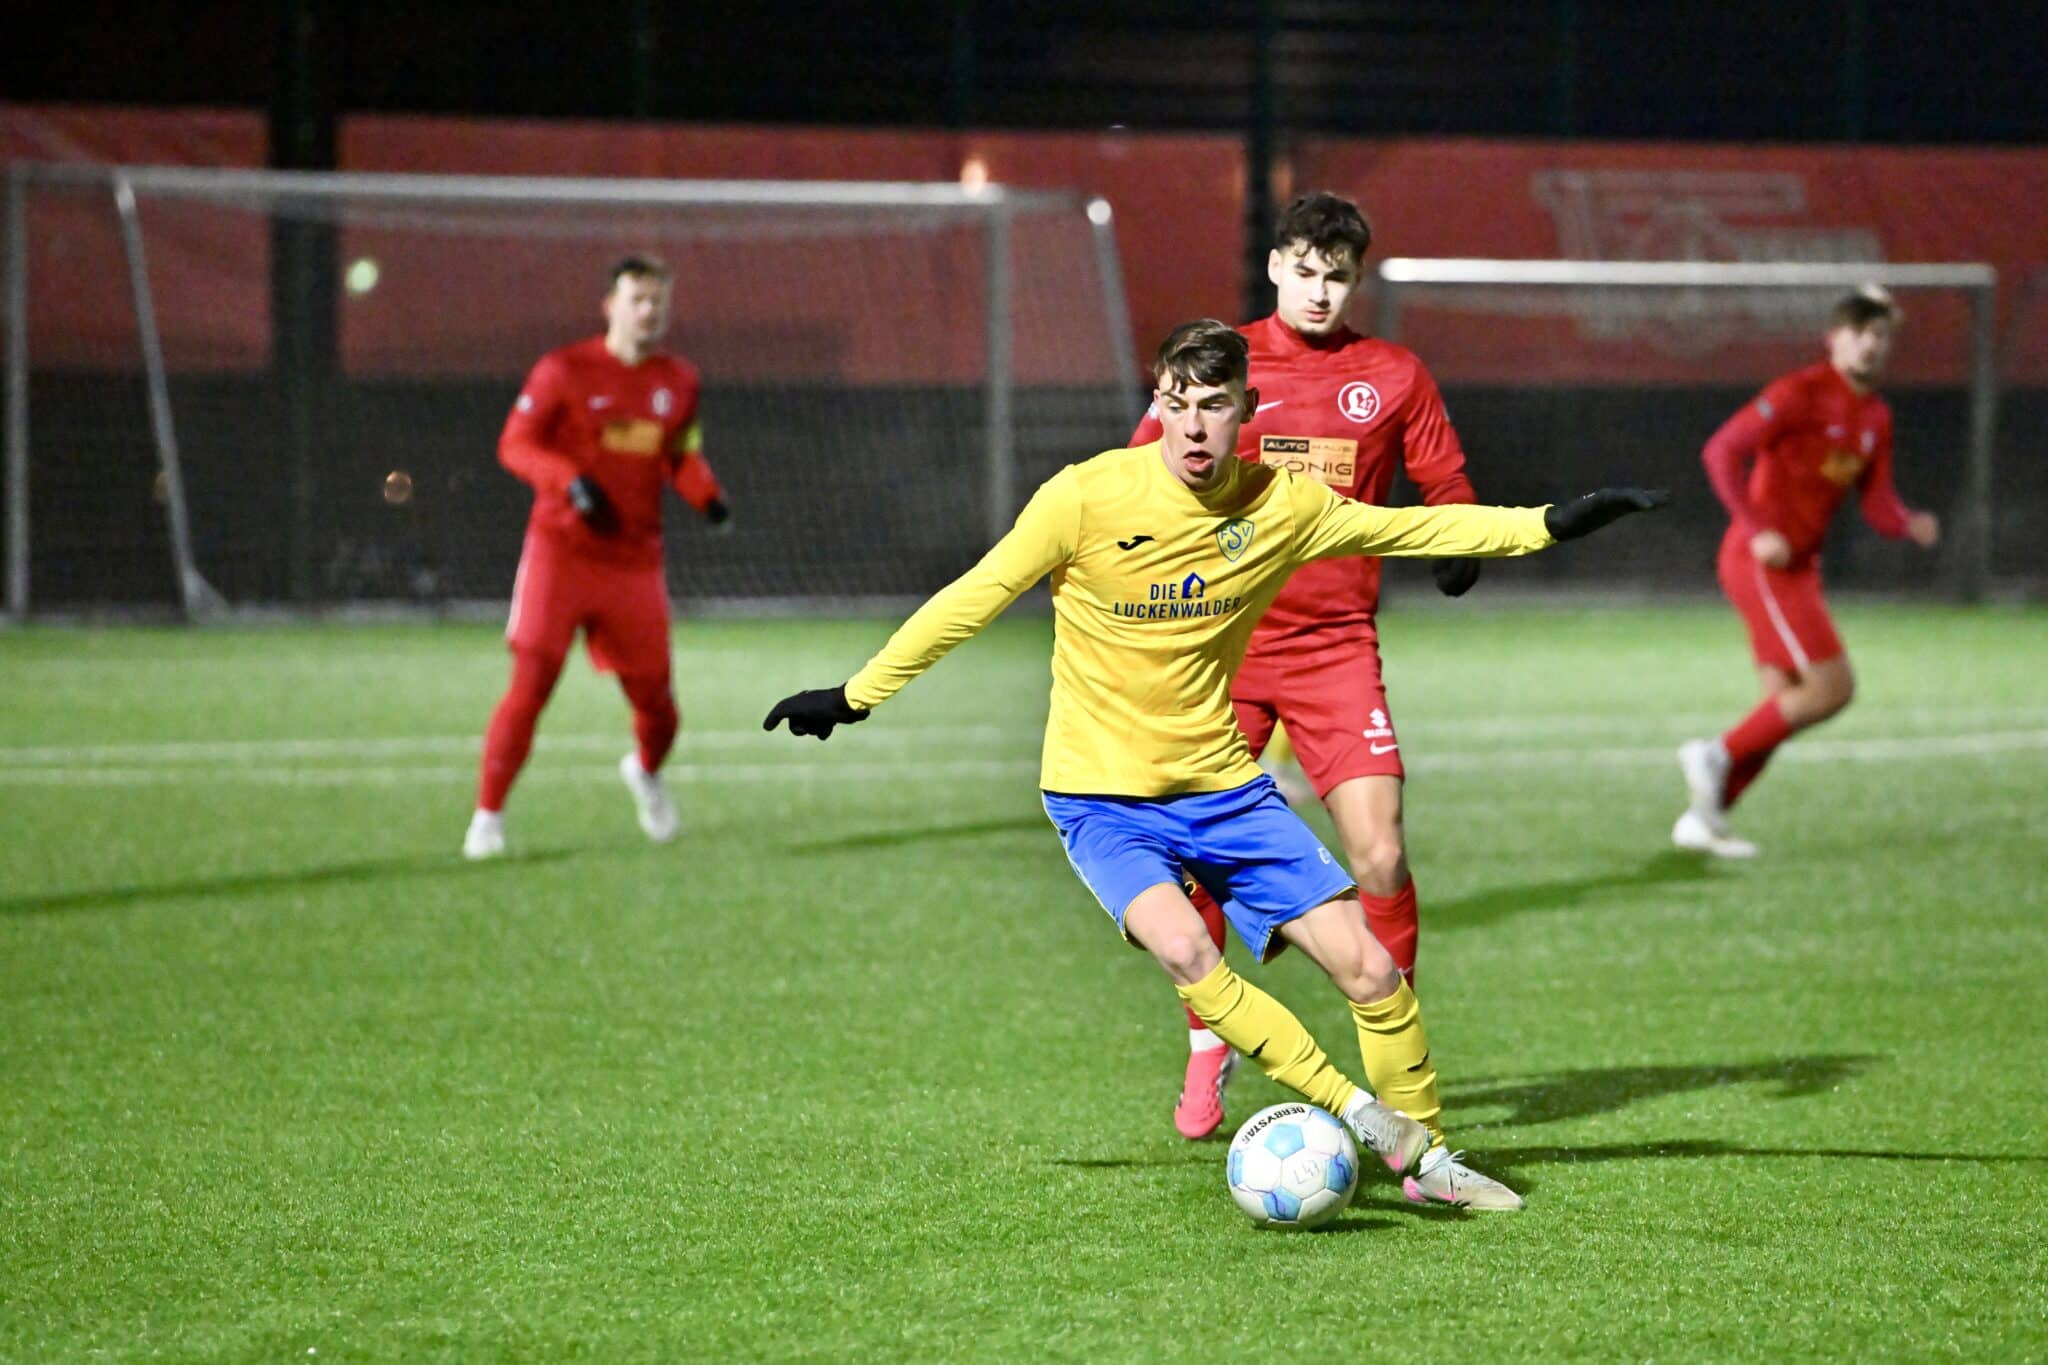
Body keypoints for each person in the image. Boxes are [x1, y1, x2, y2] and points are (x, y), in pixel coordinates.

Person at [764, 319, 1664, 1210]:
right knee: (1189, 946)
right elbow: (975, 594)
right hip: (1100, 798)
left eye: (1214, 406)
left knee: (1372, 971)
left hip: (1224, 790)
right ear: (1156, 405)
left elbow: (1408, 529)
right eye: (1177, 404)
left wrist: (1551, 524)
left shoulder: (1283, 506)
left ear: (1249, 410)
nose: (1193, 427)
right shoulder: (1084, 496)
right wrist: (855, 695)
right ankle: (1360, 1112)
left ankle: (1430, 1167)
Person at [1128, 191, 1483, 1140]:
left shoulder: (1392, 374)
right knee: (1193, 870)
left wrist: (1456, 537)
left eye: (1338, 275)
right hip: (1222, 648)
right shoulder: (1226, 366)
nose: (1320, 290)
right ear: (1276, 266)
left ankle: (1397, 1069)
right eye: (1305, 269)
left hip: (1334, 649)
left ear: (1353, 280)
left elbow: (1443, 480)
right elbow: (1143, 465)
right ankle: (1209, 1048)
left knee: (1380, 852)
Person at [464, 256, 731, 860]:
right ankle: (488, 817)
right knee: (531, 682)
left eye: (658, 300)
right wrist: (567, 481)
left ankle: (645, 772)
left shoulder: (679, 381)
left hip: (634, 563)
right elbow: (514, 444)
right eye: (637, 298)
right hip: (561, 553)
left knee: (658, 705)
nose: (649, 310)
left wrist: (706, 496)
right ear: (608, 305)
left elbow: (680, 454)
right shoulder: (563, 370)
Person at [1674, 285, 1940, 859]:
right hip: (1762, 563)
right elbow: (1721, 451)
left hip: (1799, 568)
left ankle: (1703, 819)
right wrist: (1754, 527)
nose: (1870, 345)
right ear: (1834, 338)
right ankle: (1713, 754)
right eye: (1859, 333)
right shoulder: (1800, 393)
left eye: (1880, 336)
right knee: (1832, 687)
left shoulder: (1875, 415)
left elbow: (1876, 502)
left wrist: (1907, 523)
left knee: (1785, 703)